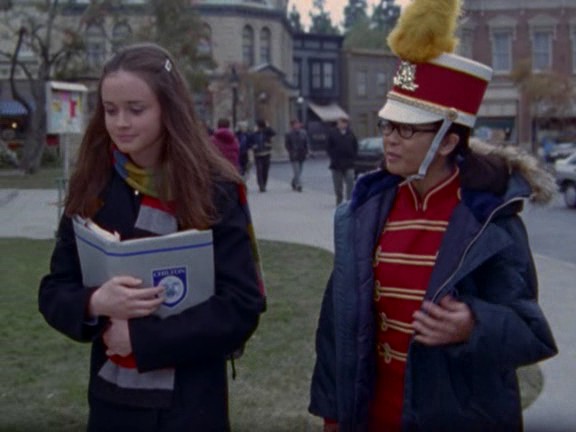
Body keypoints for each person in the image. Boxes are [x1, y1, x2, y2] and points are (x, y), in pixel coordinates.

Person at [309, 0, 557, 431]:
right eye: (387, 125)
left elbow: (531, 333)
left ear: (446, 142)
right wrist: (333, 415)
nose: (390, 139)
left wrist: (474, 324)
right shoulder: (364, 213)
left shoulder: (490, 220)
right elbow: (338, 327)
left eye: (406, 129)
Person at [38, 43, 265, 432]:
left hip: (191, 406)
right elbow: (54, 290)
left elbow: (242, 305)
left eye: (136, 109)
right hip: (113, 405)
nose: (121, 122)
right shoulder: (93, 185)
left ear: (168, 109)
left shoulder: (215, 190)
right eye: (110, 110)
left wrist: (143, 339)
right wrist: (94, 302)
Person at [326, 117, 358, 205]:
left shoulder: (350, 133)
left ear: (346, 124)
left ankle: (349, 201)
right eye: (340, 123)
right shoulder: (332, 133)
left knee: (350, 181)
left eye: (344, 123)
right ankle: (339, 201)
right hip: (336, 164)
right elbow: (328, 147)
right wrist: (333, 156)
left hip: (349, 163)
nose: (342, 125)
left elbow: (355, 146)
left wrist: (353, 156)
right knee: (338, 185)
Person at [284, 119, 310, 192]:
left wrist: (307, 151)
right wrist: (291, 151)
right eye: (296, 124)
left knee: (300, 170)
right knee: (296, 170)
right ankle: (299, 185)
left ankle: (294, 182)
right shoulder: (288, 134)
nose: (297, 125)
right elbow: (287, 144)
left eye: (298, 124)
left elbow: (306, 143)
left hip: (302, 154)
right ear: (292, 126)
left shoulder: (304, 132)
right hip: (294, 154)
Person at [252, 119, 276, 192]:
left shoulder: (267, 132)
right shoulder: (254, 134)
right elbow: (250, 141)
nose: (260, 128)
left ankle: (264, 184)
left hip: (266, 153)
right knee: (259, 170)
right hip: (257, 154)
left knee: (265, 170)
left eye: (261, 127)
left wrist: (268, 126)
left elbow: (274, 133)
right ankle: (261, 185)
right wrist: (253, 146)